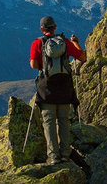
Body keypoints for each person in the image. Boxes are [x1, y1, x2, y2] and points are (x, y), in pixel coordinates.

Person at [29, 16, 86, 165]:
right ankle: (65, 154)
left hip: (46, 89)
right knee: (64, 121)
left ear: (42, 29)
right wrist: (76, 43)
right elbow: (83, 58)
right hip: (64, 88)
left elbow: (34, 65)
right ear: (54, 27)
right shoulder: (65, 42)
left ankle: (53, 156)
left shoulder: (37, 43)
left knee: (48, 122)